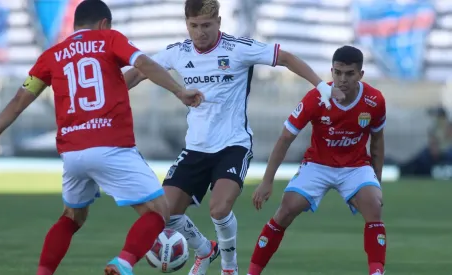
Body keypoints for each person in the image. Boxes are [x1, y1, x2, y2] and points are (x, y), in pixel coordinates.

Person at [0, 1, 204, 275]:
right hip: (111, 145)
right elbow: (144, 63)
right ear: (103, 24)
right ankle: (123, 263)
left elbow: (20, 99)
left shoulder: (51, 55)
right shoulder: (108, 39)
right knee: (159, 211)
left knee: (72, 217)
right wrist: (178, 91)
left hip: (73, 153)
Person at [123, 0, 345, 274]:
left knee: (219, 208)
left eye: (206, 25)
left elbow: (285, 58)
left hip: (233, 145)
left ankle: (229, 267)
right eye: (194, 26)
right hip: (195, 149)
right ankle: (205, 250)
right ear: (187, 24)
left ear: (218, 22)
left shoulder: (238, 49)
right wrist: (107, 99)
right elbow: (137, 73)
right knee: (164, 214)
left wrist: (321, 85)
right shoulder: (177, 53)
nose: (200, 32)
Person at [248, 46, 387, 275]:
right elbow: (285, 138)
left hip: (355, 167)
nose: (342, 79)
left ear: (361, 75)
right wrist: (266, 181)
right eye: (338, 72)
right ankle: (251, 272)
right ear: (331, 71)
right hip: (317, 165)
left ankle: (376, 272)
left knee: (373, 205)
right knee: (286, 209)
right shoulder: (316, 98)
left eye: (349, 74)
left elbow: (378, 141)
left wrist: (376, 181)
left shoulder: (374, 100)